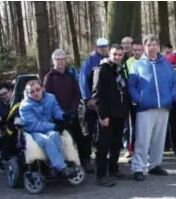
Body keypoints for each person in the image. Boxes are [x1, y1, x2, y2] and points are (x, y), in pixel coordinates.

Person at [128, 34, 176, 181]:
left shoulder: (166, 64)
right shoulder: (137, 65)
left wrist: (172, 97)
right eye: (149, 45)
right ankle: (138, 167)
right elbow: (131, 86)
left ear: (158, 46)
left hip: (163, 107)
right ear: (144, 47)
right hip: (145, 108)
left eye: (154, 44)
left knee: (159, 138)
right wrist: (139, 99)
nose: (152, 47)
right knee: (142, 139)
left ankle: (155, 165)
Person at [43, 49, 94, 173]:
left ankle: (85, 162)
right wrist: (60, 112)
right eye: (57, 59)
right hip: (58, 116)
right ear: (53, 61)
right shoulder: (49, 77)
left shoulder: (70, 75)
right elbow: (48, 97)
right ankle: (64, 165)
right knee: (63, 140)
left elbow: (77, 93)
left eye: (62, 59)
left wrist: (73, 108)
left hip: (73, 113)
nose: (60, 61)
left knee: (81, 138)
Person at [91, 46, 132, 187]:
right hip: (107, 115)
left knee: (116, 145)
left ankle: (114, 170)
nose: (117, 57)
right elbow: (96, 95)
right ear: (109, 54)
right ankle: (101, 176)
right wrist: (102, 116)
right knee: (103, 146)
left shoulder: (121, 69)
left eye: (120, 55)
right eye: (115, 54)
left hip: (119, 114)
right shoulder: (101, 69)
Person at [19, 80, 76, 178]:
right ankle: (62, 168)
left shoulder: (50, 98)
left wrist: (63, 115)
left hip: (48, 128)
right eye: (32, 92)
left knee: (55, 135)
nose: (35, 93)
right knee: (47, 141)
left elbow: (56, 110)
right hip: (33, 131)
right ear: (28, 93)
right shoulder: (24, 106)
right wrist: (53, 126)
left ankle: (56, 166)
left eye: (37, 90)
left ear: (42, 89)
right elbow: (34, 125)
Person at [79, 38, 109, 149]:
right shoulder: (90, 61)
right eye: (101, 47)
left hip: (105, 101)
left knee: (104, 130)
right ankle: (87, 156)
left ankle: (102, 153)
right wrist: (87, 98)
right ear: (96, 47)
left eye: (105, 46)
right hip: (92, 102)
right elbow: (83, 80)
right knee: (89, 130)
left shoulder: (109, 59)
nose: (103, 49)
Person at [0, 82, 13, 172]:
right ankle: (3, 161)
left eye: (5, 93)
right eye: (0, 95)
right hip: (5, 129)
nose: (3, 96)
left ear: (11, 91)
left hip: (21, 127)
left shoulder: (20, 100)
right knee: (3, 139)